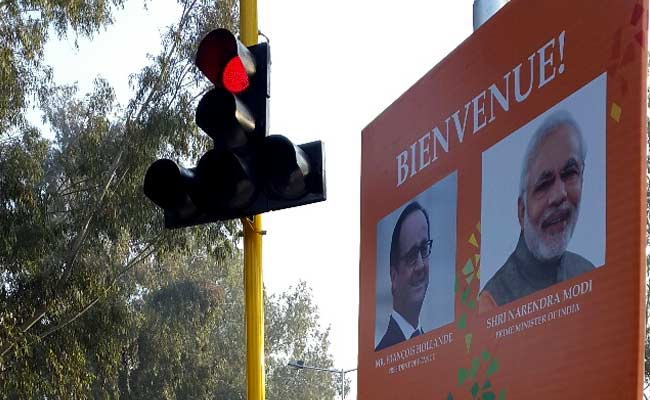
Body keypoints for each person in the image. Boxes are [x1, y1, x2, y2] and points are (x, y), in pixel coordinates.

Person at [479, 110, 594, 311]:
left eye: (570, 174)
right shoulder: (492, 302)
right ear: (521, 211)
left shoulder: (587, 273)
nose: (560, 194)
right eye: (543, 184)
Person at [376, 201, 432, 351]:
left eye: (424, 248)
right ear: (394, 277)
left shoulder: (433, 349)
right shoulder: (383, 354)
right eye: (411, 256)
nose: (420, 266)